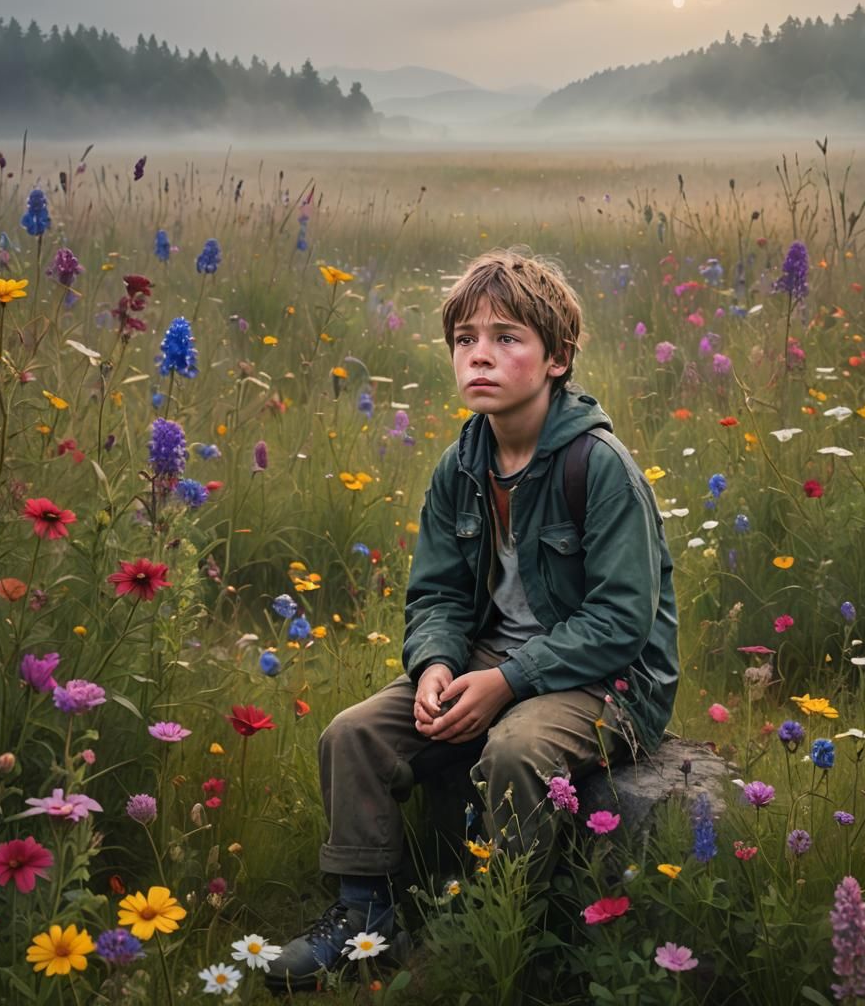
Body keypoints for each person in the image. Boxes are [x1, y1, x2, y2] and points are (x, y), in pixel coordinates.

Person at [266, 249, 679, 993]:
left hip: (608, 680)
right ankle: (365, 916)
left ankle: (497, 923)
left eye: (507, 337)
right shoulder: (460, 467)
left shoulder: (600, 466)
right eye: (465, 339)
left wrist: (508, 682)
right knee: (353, 734)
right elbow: (438, 596)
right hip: (494, 659)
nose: (479, 355)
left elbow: (621, 621)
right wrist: (435, 665)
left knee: (516, 751)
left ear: (556, 359)